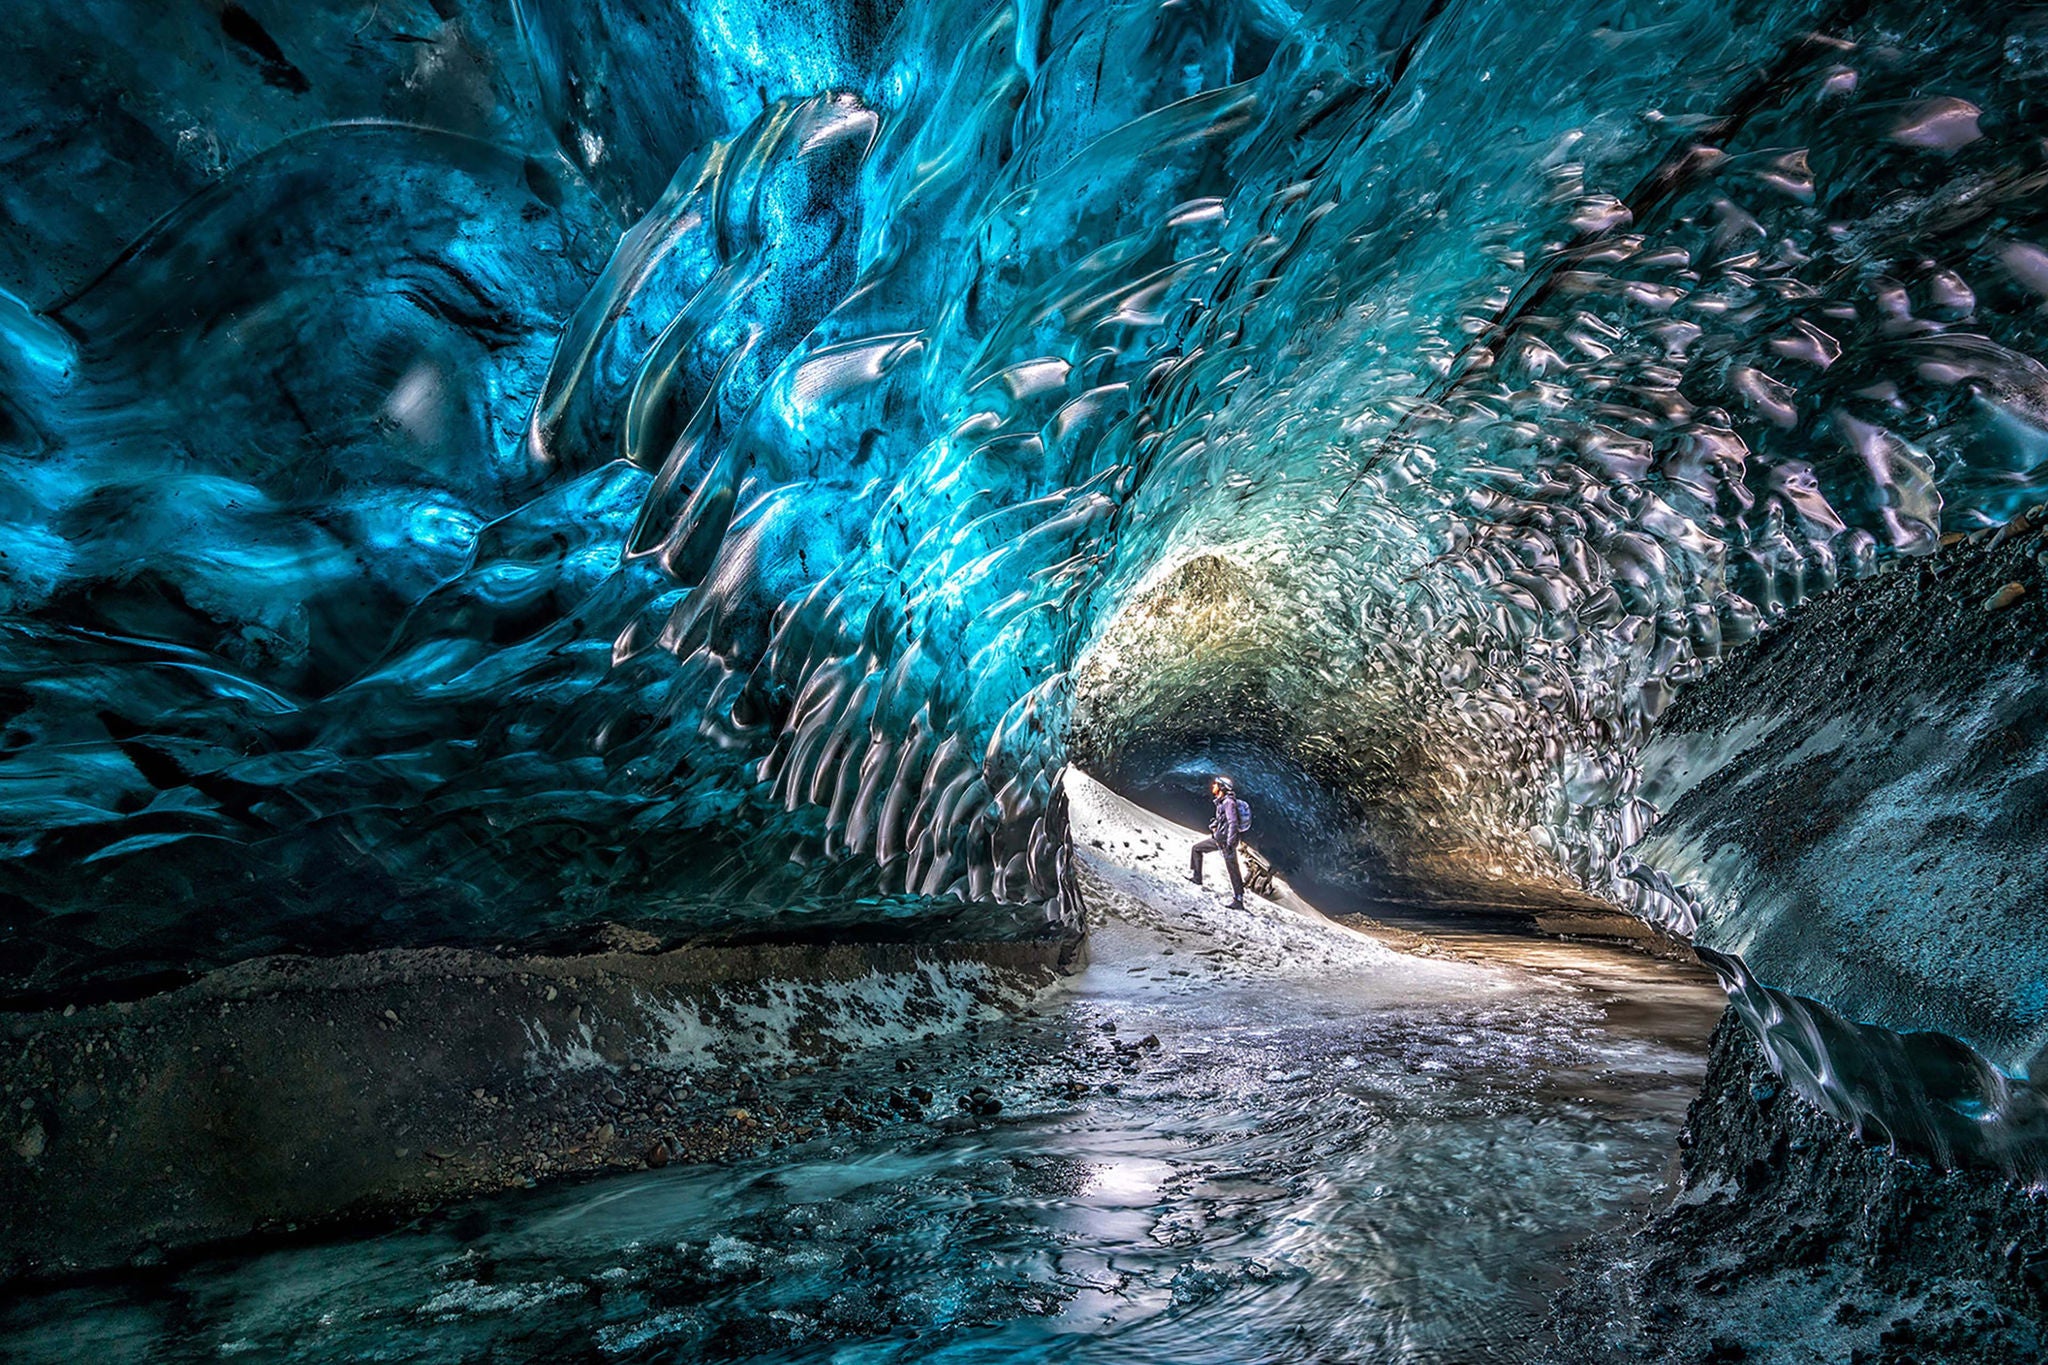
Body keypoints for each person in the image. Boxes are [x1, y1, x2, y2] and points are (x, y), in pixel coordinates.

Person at [1187, 776, 1245, 910]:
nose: (1213, 786)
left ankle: (1239, 900)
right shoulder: (1221, 801)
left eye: (1216, 784)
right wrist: (1214, 825)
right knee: (1197, 849)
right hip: (1218, 839)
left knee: (1233, 870)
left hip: (1226, 842)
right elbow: (1222, 820)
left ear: (1222, 787)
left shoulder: (1228, 803)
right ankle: (1197, 877)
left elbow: (1233, 823)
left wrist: (1230, 842)